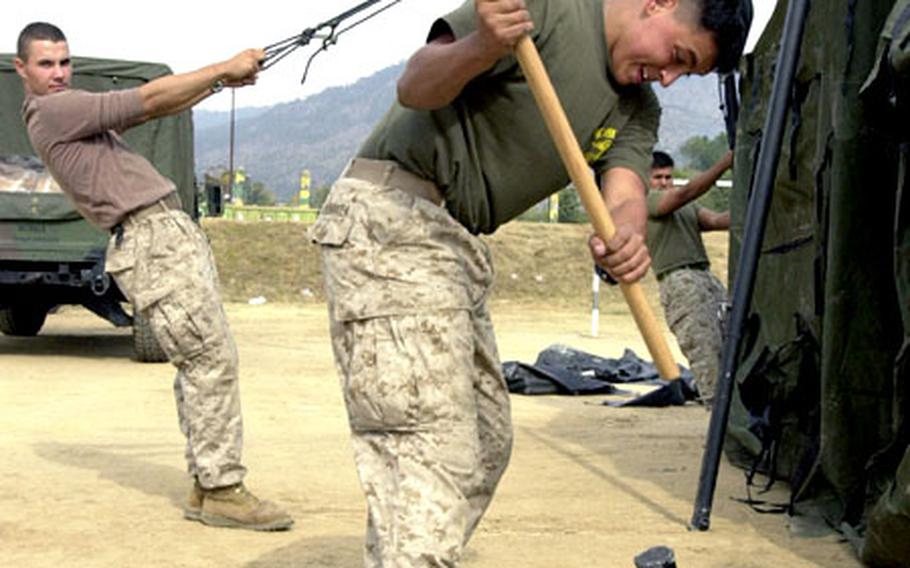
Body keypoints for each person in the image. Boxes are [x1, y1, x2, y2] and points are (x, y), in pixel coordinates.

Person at [310, 0, 751, 564]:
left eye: (684, 73)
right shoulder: (545, 10)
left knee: (487, 442)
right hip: (392, 214)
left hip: (457, 245)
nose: (667, 77)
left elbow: (625, 192)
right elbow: (415, 86)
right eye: (677, 57)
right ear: (658, 3)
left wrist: (626, 237)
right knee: (429, 447)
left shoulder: (635, 108)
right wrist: (481, 46)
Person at [14, 22, 293, 532]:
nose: (58, 73)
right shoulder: (54, 110)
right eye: (46, 64)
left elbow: (159, 104)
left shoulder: (66, 111)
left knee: (202, 358)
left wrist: (218, 82)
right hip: (151, 237)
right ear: (22, 69)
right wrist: (223, 70)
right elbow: (148, 100)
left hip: (162, 232)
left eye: (64, 62)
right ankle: (221, 489)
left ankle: (208, 481)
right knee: (209, 360)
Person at [647, 149, 732, 404]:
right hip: (680, 283)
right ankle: (720, 426)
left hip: (705, 279)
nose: (664, 183)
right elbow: (685, 193)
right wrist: (723, 164)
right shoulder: (646, 201)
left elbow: (717, 220)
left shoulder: (686, 208)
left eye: (668, 177)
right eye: (658, 177)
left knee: (730, 346)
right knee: (707, 356)